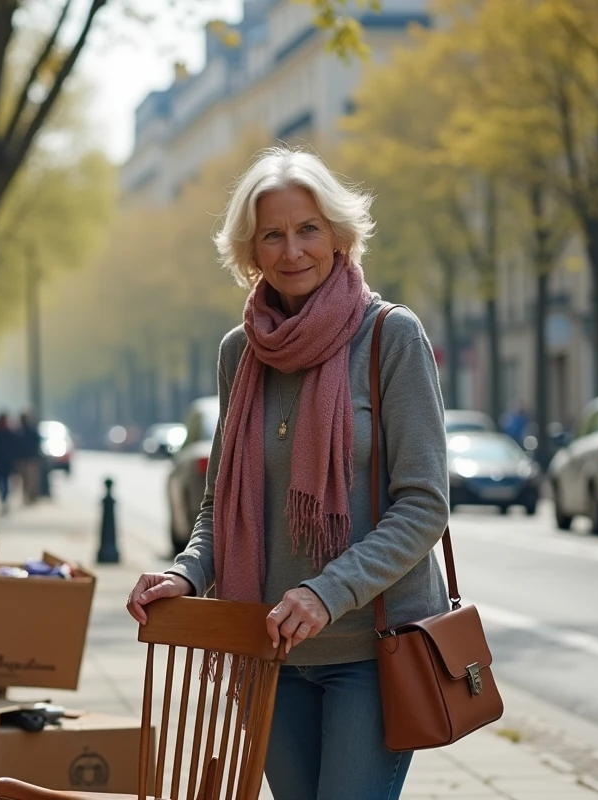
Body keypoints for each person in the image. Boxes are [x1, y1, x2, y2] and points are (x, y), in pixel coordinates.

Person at [126, 147, 450, 800]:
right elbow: (221, 503)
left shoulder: (390, 337)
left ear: (338, 234)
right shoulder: (241, 353)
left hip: (374, 651)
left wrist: (326, 593)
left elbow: (423, 505)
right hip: (268, 652)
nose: (292, 249)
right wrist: (186, 572)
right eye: (272, 234)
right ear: (250, 250)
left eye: (307, 229)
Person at [0, 412, 19, 515]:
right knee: (5, 480)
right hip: (5, 460)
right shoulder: (9, 431)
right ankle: (4, 499)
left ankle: (2, 498)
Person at [17, 412, 43, 504]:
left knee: (28, 479)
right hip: (28, 458)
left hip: (28, 458)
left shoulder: (22, 431)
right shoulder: (22, 431)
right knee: (29, 479)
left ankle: (29, 495)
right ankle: (28, 495)